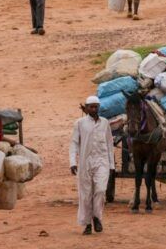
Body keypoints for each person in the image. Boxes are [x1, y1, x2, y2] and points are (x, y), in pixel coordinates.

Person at [69, 96, 115, 235]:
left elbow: (109, 144)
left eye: (96, 106)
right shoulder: (80, 123)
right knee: (86, 195)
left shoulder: (105, 123)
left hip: (102, 162)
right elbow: (74, 143)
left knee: (100, 190)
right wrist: (72, 162)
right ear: (86, 108)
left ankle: (97, 217)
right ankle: (87, 223)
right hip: (85, 163)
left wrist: (112, 165)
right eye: (91, 107)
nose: (94, 109)